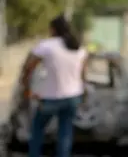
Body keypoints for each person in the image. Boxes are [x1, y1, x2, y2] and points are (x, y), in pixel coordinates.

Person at [21, 15, 88, 157]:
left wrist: (28, 90)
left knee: (38, 128)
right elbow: (83, 75)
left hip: (51, 97)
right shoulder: (79, 48)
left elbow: (28, 68)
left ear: (53, 29)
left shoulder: (46, 46)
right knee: (65, 131)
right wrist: (83, 94)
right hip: (73, 96)